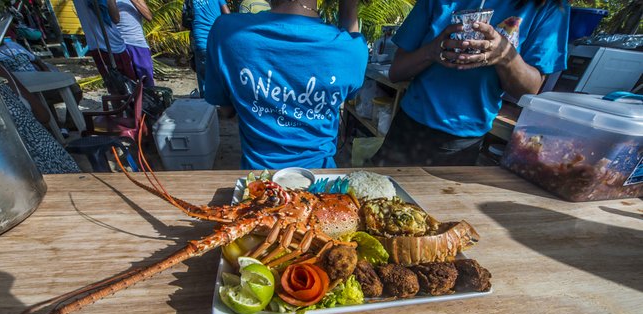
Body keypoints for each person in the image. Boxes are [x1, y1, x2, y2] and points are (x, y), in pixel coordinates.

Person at [372, 0, 570, 166]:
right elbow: (397, 71)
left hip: (463, 142)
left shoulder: (548, 7)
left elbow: (530, 91)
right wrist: (431, 51)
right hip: (407, 127)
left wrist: (504, 56)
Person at [205, 0, 368, 169]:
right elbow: (349, 90)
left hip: (258, 185)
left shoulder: (227, 32)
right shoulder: (351, 49)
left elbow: (227, 110)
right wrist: (348, 7)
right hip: (321, 185)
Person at [72, 0, 137, 92]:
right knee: (124, 89)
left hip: (104, 46)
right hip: (107, 46)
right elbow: (116, 17)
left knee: (120, 89)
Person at [190, 0, 230, 98]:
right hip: (216, 40)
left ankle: (206, 102)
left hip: (200, 41)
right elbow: (227, 14)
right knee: (219, 75)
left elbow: (185, 21)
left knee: (204, 78)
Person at [116, 0, 155, 86]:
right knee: (126, 84)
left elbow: (149, 17)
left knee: (147, 81)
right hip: (118, 45)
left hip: (138, 43)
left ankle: (148, 98)